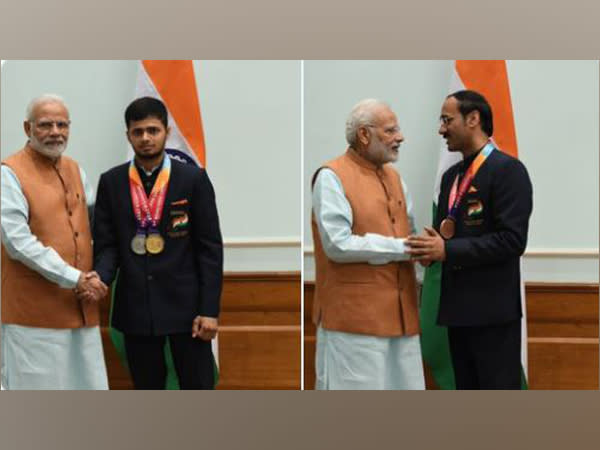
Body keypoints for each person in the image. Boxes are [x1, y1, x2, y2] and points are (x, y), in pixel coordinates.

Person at [92, 97, 223, 390]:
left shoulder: (193, 179)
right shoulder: (111, 182)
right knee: (147, 388)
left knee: (197, 386)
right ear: (128, 135)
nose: (146, 138)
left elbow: (210, 249)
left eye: (153, 130)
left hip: (188, 311)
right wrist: (100, 276)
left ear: (166, 131)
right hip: (136, 309)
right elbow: (107, 245)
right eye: (138, 132)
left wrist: (209, 309)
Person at [407, 89, 533, 389]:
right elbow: (446, 235)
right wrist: (429, 249)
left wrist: (447, 250)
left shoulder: (508, 171)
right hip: (456, 312)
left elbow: (512, 241)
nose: (441, 129)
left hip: (492, 315)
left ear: (473, 118)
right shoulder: (451, 177)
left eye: (447, 120)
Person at [311, 98, 425, 390]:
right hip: (354, 326)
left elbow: (409, 234)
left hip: (403, 320)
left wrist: (426, 250)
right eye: (390, 130)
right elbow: (338, 244)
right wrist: (402, 248)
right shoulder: (331, 176)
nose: (400, 137)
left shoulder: (395, 178)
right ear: (364, 134)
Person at [1, 94, 109, 390]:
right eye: (45, 125)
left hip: (81, 309)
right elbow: (17, 242)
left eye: (62, 124)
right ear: (27, 128)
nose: (55, 132)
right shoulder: (8, 173)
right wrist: (75, 278)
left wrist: (98, 274)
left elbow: (92, 229)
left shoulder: (76, 169)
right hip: (33, 318)